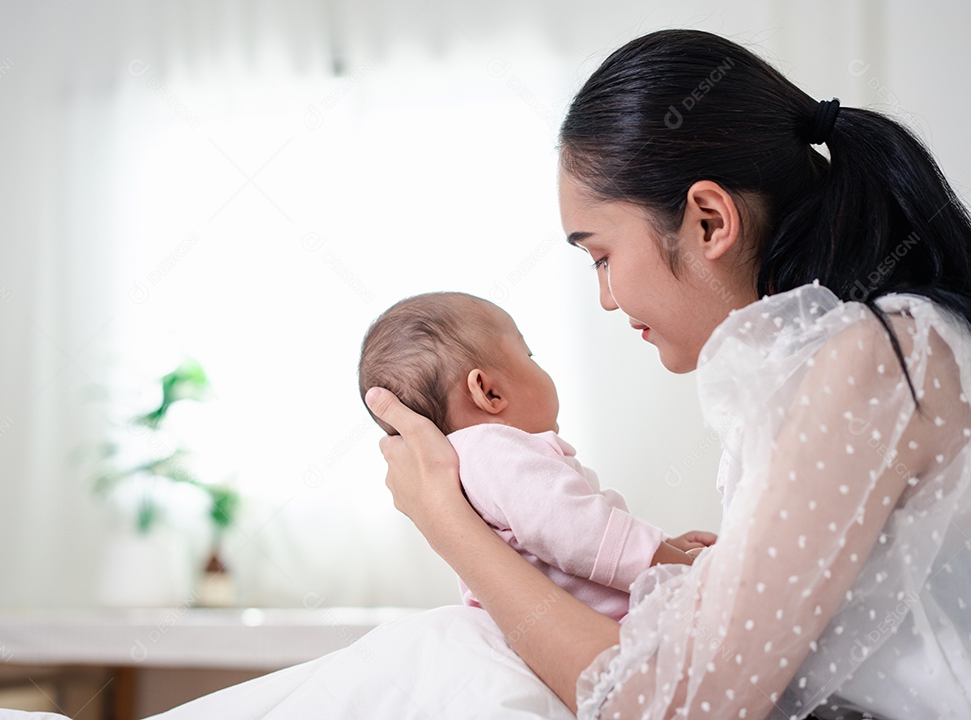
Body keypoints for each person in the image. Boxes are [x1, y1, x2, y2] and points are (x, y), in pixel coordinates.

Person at [367, 28, 971, 720]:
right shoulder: (848, 357)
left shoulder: (869, 362)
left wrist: (449, 525)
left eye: (600, 255)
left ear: (710, 220)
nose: (607, 296)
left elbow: (675, 709)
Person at [357, 291, 715, 621]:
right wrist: (679, 567)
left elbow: (564, 546)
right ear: (489, 392)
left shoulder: (472, 464)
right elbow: (578, 530)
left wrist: (663, 546)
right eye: (529, 355)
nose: (538, 366)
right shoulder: (492, 450)